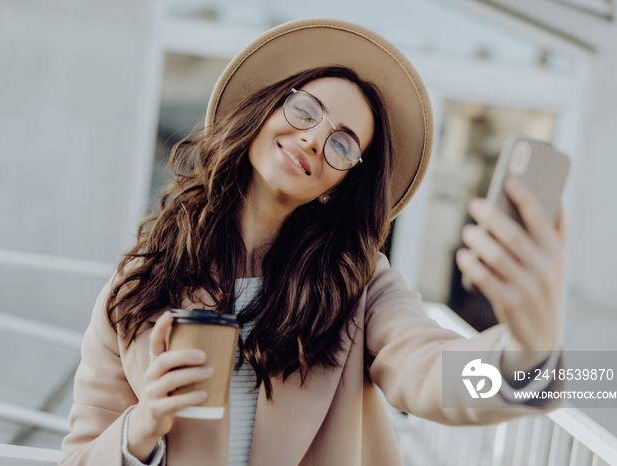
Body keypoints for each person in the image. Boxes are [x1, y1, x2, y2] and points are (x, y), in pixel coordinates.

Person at [59, 18, 566, 466]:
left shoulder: (361, 286)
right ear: (263, 113)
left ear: (337, 187)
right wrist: (144, 426)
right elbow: (81, 456)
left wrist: (527, 351)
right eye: (305, 110)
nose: (313, 139)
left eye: (343, 143)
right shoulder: (140, 286)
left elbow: (429, 371)